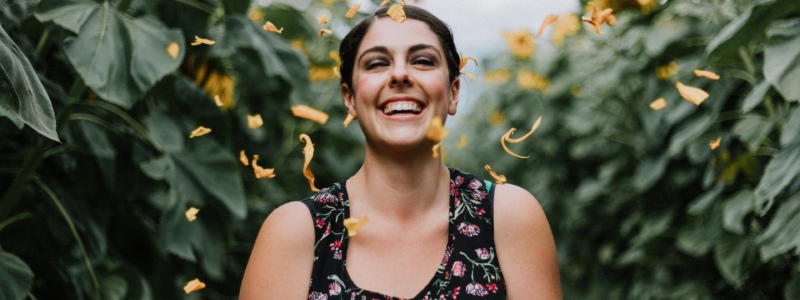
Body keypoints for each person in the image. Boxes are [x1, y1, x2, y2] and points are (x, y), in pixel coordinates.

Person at [240, 5, 561, 299]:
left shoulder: (509, 218)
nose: (399, 75)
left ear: (453, 92)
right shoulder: (294, 233)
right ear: (349, 98)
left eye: (422, 60)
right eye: (377, 63)